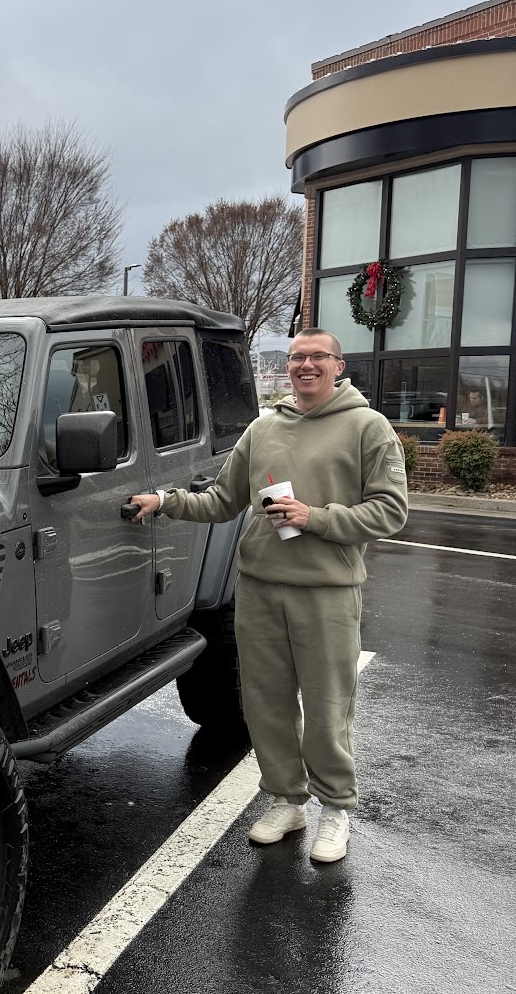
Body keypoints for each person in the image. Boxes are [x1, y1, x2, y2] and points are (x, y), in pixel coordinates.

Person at [128, 329, 408, 864]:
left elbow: (391, 511)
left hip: (327, 591)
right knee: (266, 703)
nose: (306, 365)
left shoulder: (367, 427)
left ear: (338, 365)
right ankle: (286, 800)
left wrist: (315, 518)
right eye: (298, 357)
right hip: (258, 588)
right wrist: (163, 500)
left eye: (317, 357)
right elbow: (221, 501)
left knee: (327, 706)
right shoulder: (264, 428)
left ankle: (336, 809)